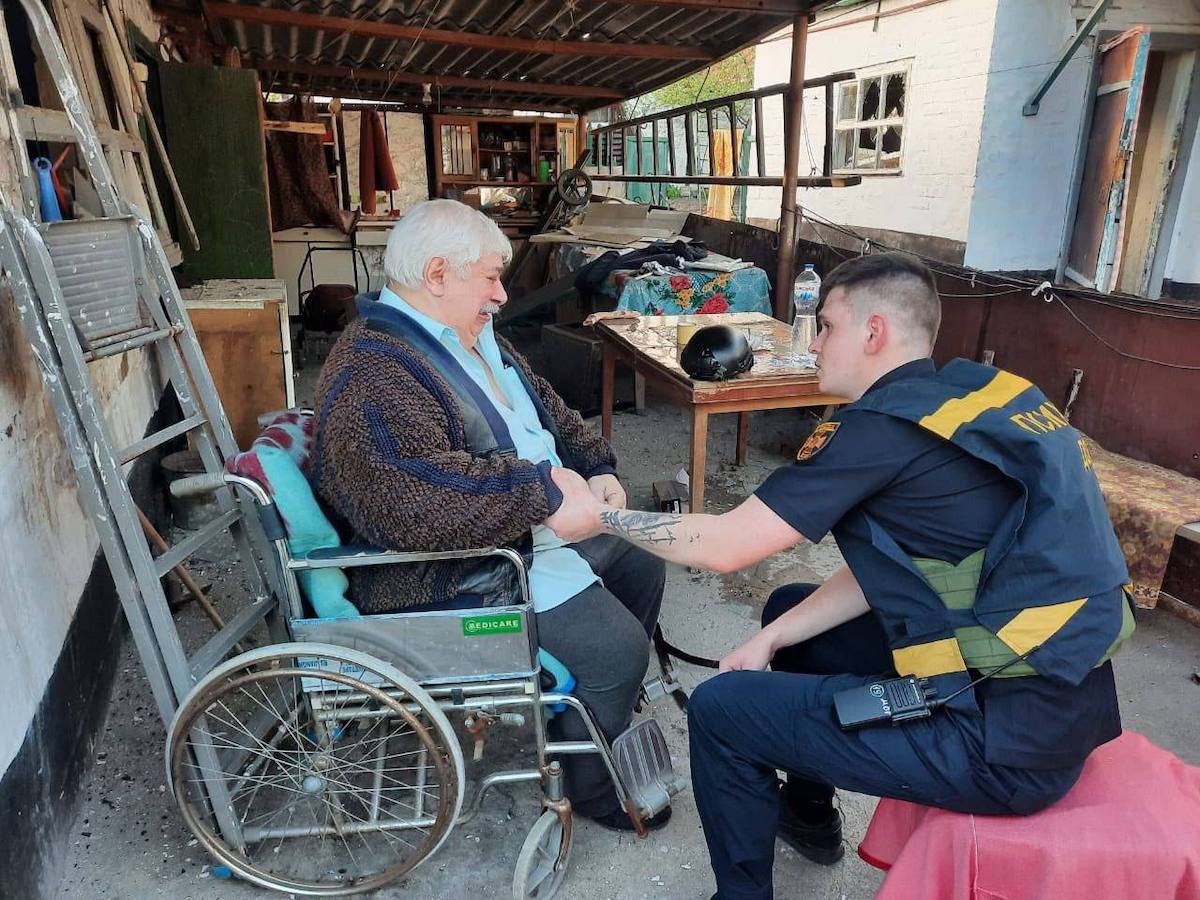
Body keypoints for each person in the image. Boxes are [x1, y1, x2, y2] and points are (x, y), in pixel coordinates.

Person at [543, 251, 1135, 898]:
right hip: (1052, 697)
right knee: (790, 612)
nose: (813, 341)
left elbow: (729, 544)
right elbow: (893, 564)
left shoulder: (878, 431)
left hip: (1004, 744)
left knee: (719, 711)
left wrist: (601, 520)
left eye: (825, 326)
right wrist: (770, 639)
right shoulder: (972, 395)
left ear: (874, 333)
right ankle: (810, 818)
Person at [308, 199, 669, 832]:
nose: (503, 294)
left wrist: (597, 466)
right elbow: (410, 500)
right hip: (449, 567)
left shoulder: (468, 337)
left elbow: (552, 414)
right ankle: (592, 780)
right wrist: (544, 493)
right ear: (439, 274)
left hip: (516, 533)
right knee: (617, 650)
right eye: (492, 277)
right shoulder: (373, 370)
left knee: (641, 561)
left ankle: (580, 708)